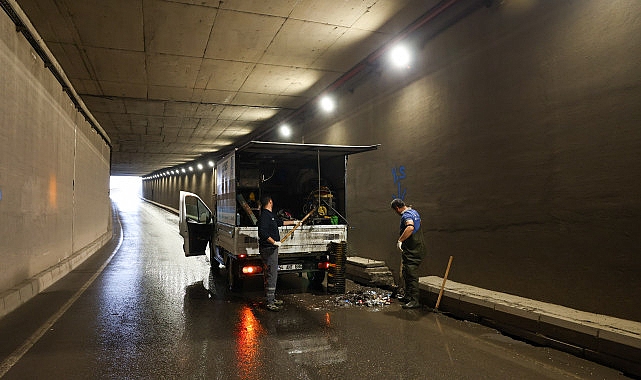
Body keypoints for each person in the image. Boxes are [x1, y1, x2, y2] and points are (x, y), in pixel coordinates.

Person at [258, 194, 297, 311]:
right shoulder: (264, 216)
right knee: (271, 274)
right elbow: (262, 232)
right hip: (269, 249)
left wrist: (294, 222)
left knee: (272, 273)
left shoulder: (270, 215)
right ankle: (270, 302)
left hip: (272, 249)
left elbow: (280, 222)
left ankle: (272, 298)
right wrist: (274, 242)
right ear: (270, 202)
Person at [391, 198, 427, 309]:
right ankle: (407, 296)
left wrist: (400, 240)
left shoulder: (406, 215)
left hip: (413, 250)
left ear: (397, 208)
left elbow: (410, 227)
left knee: (411, 275)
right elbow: (419, 223)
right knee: (406, 273)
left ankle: (414, 301)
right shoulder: (413, 212)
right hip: (415, 248)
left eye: (394, 210)